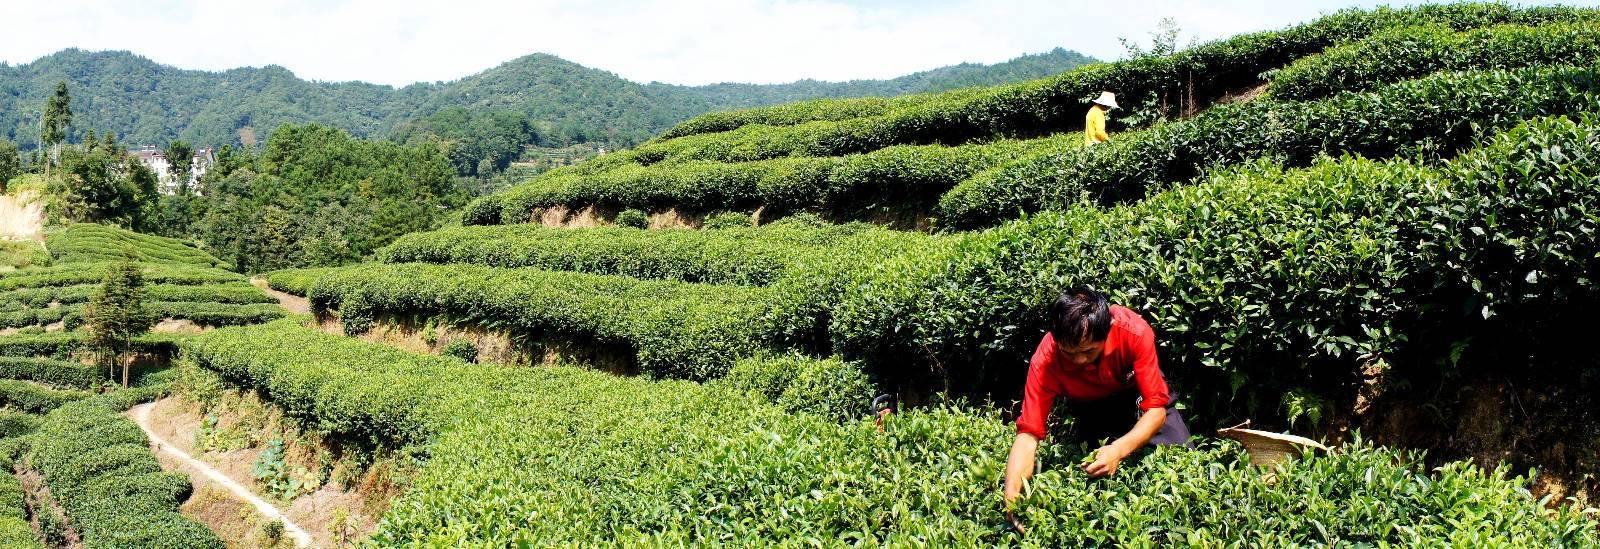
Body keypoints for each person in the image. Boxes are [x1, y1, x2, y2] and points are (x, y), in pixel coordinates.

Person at [1002, 288, 1191, 507]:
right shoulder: (1045, 361)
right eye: (1069, 353)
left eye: (1089, 351)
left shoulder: (1134, 331)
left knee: (1182, 459)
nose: (1080, 360)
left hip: (1137, 393)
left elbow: (1156, 410)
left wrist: (1118, 450)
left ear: (1108, 331)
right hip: (1090, 405)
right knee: (1094, 482)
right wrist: (1012, 495)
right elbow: (1028, 436)